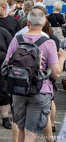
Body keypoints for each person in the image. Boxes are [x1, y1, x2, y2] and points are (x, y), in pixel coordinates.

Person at [5, 9, 66, 142]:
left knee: (21, 128)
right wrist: (62, 58)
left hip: (18, 88)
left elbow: (6, 63)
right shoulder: (48, 42)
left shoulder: (17, 39)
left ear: (28, 22)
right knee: (31, 132)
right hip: (40, 90)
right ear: (44, 22)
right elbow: (55, 73)